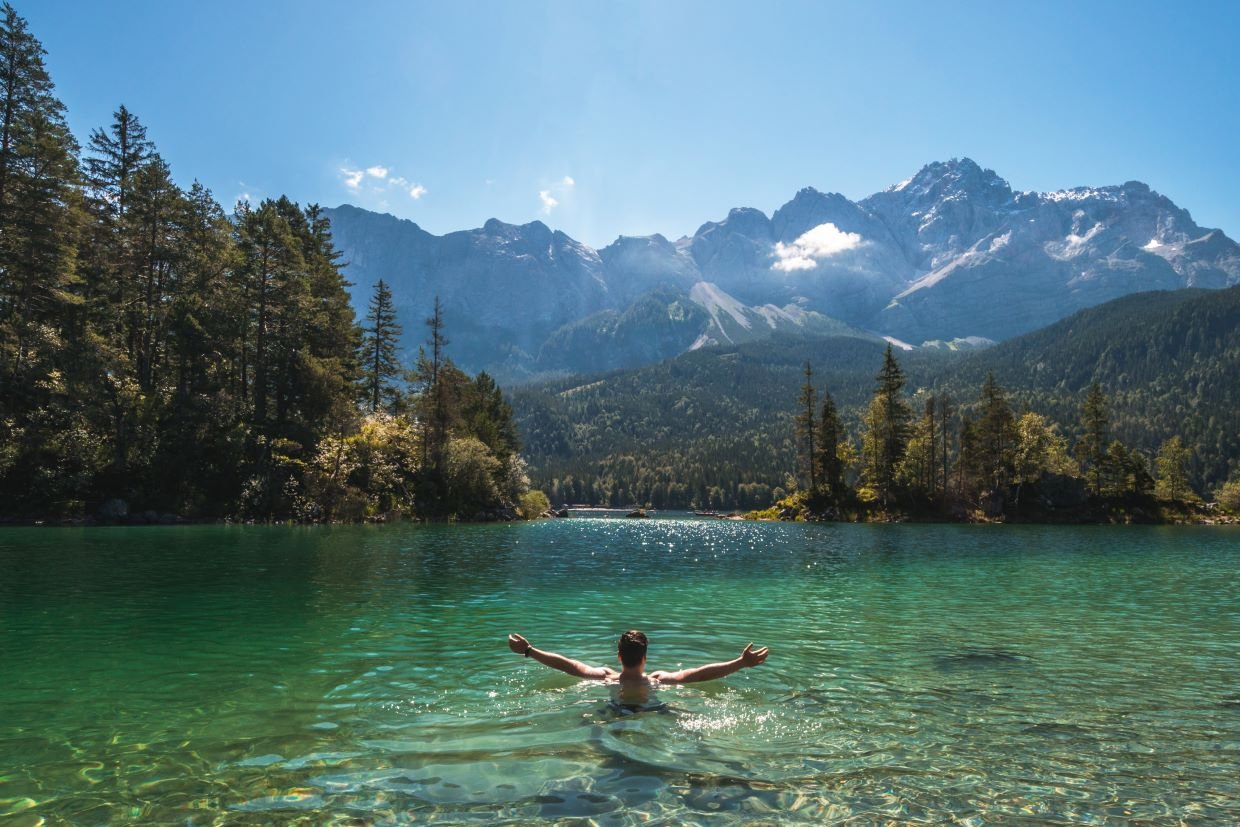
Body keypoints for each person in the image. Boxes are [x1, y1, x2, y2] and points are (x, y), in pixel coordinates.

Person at [506, 629, 769, 687]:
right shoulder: (658, 680)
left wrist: (530, 651)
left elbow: (569, 665)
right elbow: (701, 673)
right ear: (645, 656)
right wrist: (740, 663)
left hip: (614, 711)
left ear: (619, 656)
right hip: (651, 709)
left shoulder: (605, 677)